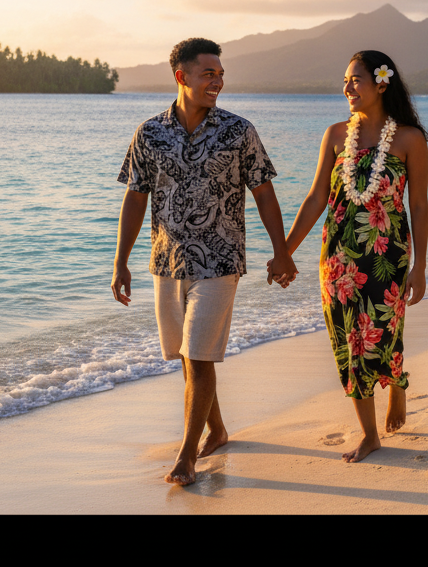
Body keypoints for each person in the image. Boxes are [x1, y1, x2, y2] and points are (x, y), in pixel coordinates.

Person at [111, 37, 297, 487]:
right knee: (186, 358)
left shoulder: (238, 131)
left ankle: (187, 455)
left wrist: (281, 251)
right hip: (166, 261)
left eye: (220, 74)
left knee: (198, 356)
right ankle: (216, 429)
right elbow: (135, 199)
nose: (217, 81)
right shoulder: (149, 132)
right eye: (208, 73)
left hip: (220, 260)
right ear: (182, 77)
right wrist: (121, 262)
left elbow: (264, 194)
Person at [274, 50, 428, 463]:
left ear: (381, 83)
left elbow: (420, 207)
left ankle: (396, 382)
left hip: (387, 254)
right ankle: (369, 433)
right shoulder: (336, 134)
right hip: (339, 257)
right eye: (345, 80)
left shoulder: (410, 139)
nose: (347, 88)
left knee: (384, 330)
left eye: (355, 80)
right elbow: (315, 199)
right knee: (351, 340)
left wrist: (421, 267)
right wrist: (284, 252)